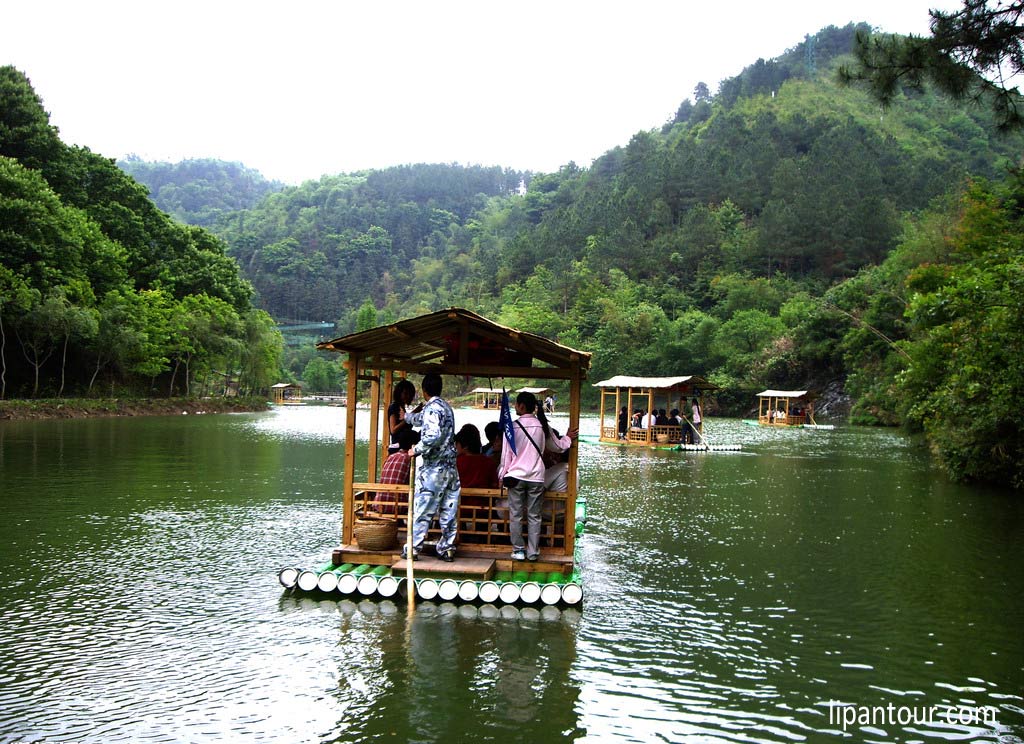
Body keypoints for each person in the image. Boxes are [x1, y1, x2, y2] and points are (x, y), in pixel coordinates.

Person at [498, 391, 577, 562]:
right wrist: (568, 438)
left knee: (516, 514)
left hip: (516, 477)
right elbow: (558, 446)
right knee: (535, 515)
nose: (515, 407)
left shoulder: (511, 427)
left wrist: (501, 475)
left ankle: (518, 550)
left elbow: (506, 457)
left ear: (521, 406)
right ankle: (533, 552)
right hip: (536, 477)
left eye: (516, 404)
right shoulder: (542, 426)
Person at [402, 372, 460, 562]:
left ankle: (413, 548)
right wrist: (408, 417)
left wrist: (416, 450)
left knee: (423, 508)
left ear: (424, 390)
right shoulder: (445, 407)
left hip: (434, 468)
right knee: (448, 510)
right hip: (451, 468)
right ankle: (447, 548)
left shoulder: (432, 409)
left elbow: (432, 434)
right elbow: (422, 420)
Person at [374, 428, 420, 516]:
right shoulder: (410, 459)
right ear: (413, 446)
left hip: (378, 504)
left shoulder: (391, 457)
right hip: (397, 506)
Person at [454, 423, 498, 488]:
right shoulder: (488, 462)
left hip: (459, 498)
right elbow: (494, 484)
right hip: (484, 498)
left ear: (465, 446)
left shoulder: (455, 462)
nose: (455, 447)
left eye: (457, 444)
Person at [387, 379, 417, 453]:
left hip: (404, 448)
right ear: (399, 393)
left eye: (410, 394)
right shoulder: (394, 407)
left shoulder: (402, 408)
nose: (408, 396)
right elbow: (393, 430)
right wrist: (411, 415)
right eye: (405, 394)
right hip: (397, 449)